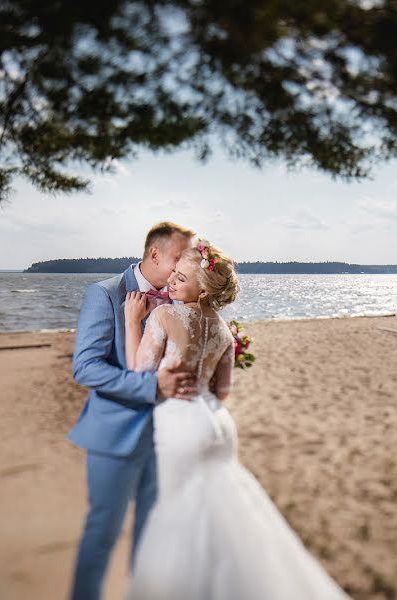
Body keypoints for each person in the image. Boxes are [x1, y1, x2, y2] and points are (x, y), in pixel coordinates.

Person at [122, 239, 350, 599]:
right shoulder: (225, 332)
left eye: (181, 279)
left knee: (181, 518)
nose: (172, 284)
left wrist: (131, 321)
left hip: (181, 424)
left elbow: (139, 374)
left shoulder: (164, 315)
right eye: (174, 276)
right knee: (222, 514)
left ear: (203, 290)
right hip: (217, 423)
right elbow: (222, 390)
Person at [68, 222, 197, 600]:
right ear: (154, 254)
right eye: (178, 258)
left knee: (153, 531)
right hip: (116, 434)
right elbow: (86, 367)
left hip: (166, 434)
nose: (182, 267)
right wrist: (151, 386)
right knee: (103, 532)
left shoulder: (182, 296)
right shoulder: (105, 294)